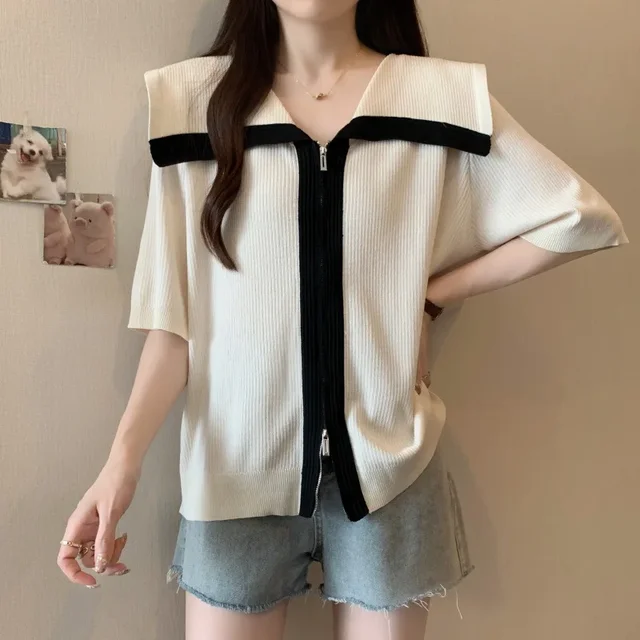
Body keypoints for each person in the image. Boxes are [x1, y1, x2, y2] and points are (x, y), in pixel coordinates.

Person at [57, 1, 628, 638]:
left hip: (389, 469)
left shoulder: (436, 97)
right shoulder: (193, 102)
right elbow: (173, 321)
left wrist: (430, 295)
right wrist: (121, 464)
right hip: (233, 469)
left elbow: (581, 218)